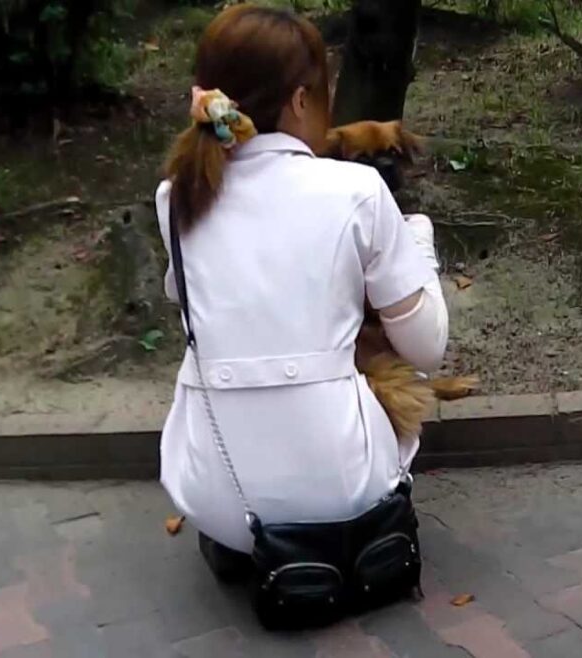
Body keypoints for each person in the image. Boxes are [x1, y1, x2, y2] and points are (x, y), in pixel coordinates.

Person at [154, 4, 448, 578]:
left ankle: (245, 540)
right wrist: (419, 246)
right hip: (348, 489)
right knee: (407, 314)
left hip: (216, 499)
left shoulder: (177, 196)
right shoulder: (358, 190)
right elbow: (426, 349)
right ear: (299, 100)